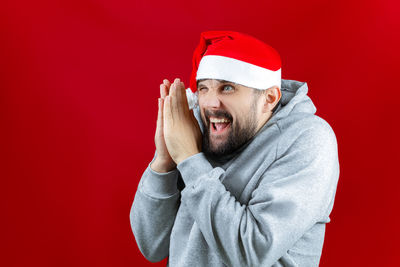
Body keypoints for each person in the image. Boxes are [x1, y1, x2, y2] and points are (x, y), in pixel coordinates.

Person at [129, 31, 340, 267]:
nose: (209, 103)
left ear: (269, 98)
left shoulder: (308, 138)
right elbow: (152, 246)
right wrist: (164, 163)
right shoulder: (199, 129)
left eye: (227, 88)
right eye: (203, 88)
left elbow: (251, 252)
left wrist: (189, 159)